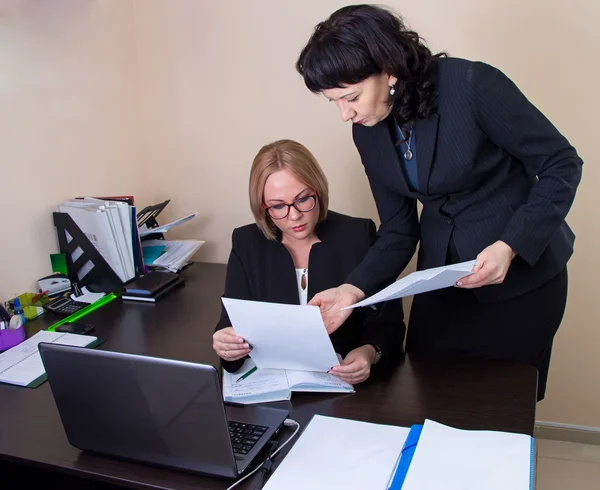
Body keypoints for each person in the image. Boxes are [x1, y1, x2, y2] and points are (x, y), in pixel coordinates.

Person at [295, 5, 583, 400]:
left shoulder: (472, 84)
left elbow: (561, 163)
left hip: (520, 280)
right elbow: (398, 231)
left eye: (351, 97)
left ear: (389, 69)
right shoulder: (368, 131)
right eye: (334, 102)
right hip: (444, 284)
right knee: (428, 401)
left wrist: (509, 246)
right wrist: (352, 289)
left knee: (500, 414)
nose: (345, 114)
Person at [213, 139, 405, 384]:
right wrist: (225, 341)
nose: (294, 216)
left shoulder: (358, 234)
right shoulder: (246, 242)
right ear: (263, 207)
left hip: (347, 386)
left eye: (303, 199)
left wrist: (370, 351)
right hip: (270, 386)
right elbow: (231, 321)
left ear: (318, 189)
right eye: (278, 206)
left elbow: (389, 324)